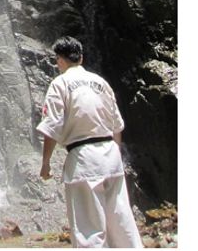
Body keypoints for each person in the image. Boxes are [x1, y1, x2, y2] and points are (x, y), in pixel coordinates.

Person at [36, 37, 142, 248]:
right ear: (81, 57)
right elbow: (116, 127)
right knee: (122, 222)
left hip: (84, 159)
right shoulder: (101, 83)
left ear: (59, 60)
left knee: (89, 229)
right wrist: (115, 154)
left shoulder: (60, 83)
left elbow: (52, 125)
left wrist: (46, 162)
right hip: (111, 157)